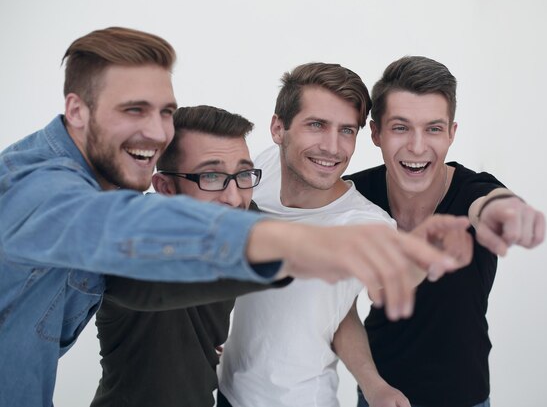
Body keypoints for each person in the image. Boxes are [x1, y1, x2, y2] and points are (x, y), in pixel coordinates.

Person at [0, 27, 463, 407]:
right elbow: (126, 230)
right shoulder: (36, 189)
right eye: (132, 110)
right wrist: (307, 247)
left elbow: (145, 283)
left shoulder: (250, 185)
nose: (157, 133)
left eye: (165, 112)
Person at [217, 62, 473, 407]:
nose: (332, 147)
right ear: (278, 128)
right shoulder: (260, 172)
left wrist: (375, 386)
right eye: (317, 125)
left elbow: (383, 285)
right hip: (228, 392)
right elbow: (338, 309)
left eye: (346, 131)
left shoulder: (366, 224)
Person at [338, 56, 546, 407]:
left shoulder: (472, 191)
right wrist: (372, 385)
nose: (417, 147)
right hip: (378, 397)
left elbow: (491, 203)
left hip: (467, 398)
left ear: (451, 133)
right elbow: (338, 306)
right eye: (401, 127)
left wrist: (507, 211)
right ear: (376, 133)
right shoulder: (354, 196)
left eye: (433, 129)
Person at [91, 105, 290, 407]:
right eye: (211, 176)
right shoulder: (134, 238)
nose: (234, 197)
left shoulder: (239, 215)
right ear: (166, 188)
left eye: (243, 174)